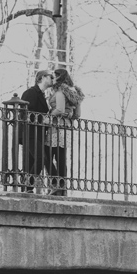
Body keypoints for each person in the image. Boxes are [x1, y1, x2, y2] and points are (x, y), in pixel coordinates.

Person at [46, 68, 85, 197]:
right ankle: (62, 188)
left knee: (47, 156)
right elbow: (77, 114)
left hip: (56, 126)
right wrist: (70, 114)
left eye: (54, 76)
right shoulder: (74, 92)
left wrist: (50, 115)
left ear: (59, 77)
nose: (52, 79)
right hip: (66, 126)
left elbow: (60, 109)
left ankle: (56, 184)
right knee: (61, 157)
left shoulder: (60, 91)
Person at [19, 70, 54, 192]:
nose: (53, 79)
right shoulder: (30, 92)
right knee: (41, 158)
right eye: (51, 77)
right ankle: (28, 184)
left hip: (38, 134)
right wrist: (44, 119)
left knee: (32, 161)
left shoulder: (42, 94)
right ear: (43, 77)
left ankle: (27, 188)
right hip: (30, 133)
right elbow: (24, 114)